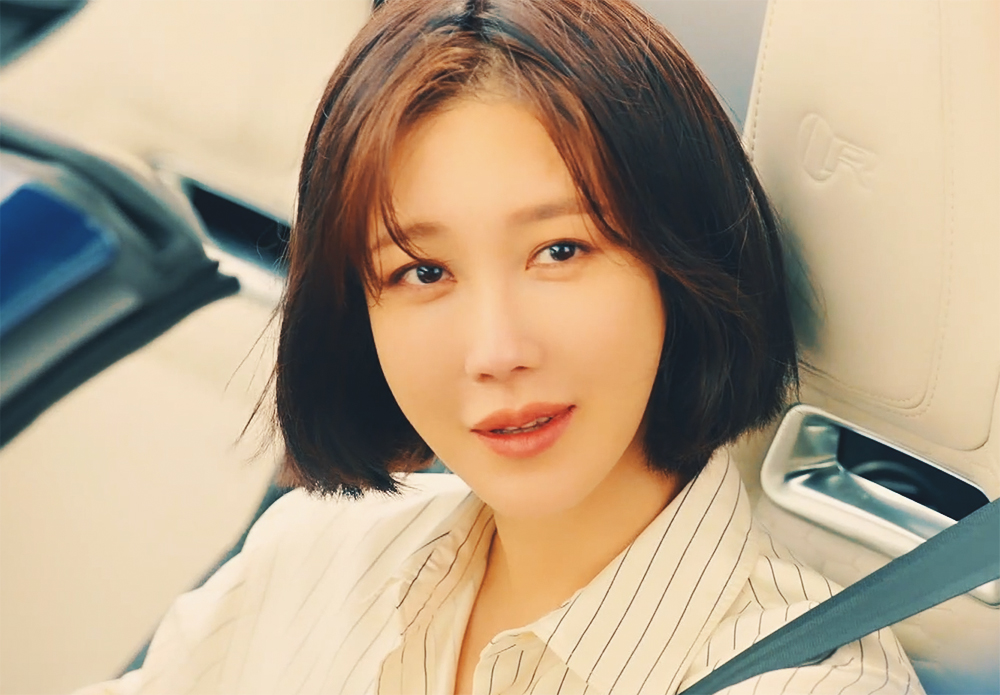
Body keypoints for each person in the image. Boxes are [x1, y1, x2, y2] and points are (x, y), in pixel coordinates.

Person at [76, 0, 923, 693]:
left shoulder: (806, 682)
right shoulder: (309, 560)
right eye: (423, 271)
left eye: (560, 251)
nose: (495, 349)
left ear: (679, 261)